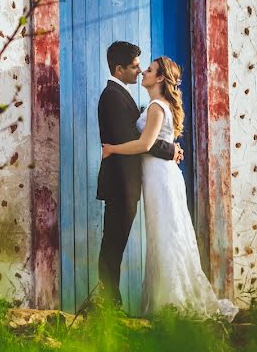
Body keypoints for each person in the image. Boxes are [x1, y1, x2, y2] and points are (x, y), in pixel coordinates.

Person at [102, 56, 238, 321]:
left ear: (161, 78)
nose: (144, 71)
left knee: (167, 235)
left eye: (150, 70)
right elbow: (156, 142)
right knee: (165, 235)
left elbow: (144, 144)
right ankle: (167, 301)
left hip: (160, 178)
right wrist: (172, 149)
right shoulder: (157, 105)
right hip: (158, 176)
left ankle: (172, 303)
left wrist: (113, 149)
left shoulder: (155, 107)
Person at [96, 41, 183, 309]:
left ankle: (111, 301)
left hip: (129, 182)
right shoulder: (112, 96)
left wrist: (168, 148)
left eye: (142, 67)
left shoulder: (124, 95)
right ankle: (110, 304)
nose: (139, 71)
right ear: (119, 69)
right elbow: (135, 139)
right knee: (113, 243)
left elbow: (141, 137)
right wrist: (169, 149)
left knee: (115, 242)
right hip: (120, 183)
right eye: (134, 67)